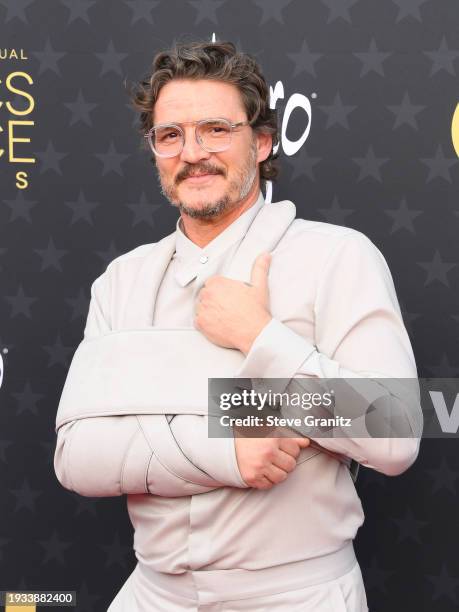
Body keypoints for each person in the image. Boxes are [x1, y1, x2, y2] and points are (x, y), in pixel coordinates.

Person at [53, 39, 422, 611]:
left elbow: (394, 431)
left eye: (216, 129)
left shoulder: (338, 258)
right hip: (151, 595)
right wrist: (225, 444)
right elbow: (76, 455)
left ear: (264, 140)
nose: (192, 152)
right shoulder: (120, 281)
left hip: (297, 597)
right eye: (170, 135)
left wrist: (262, 339)